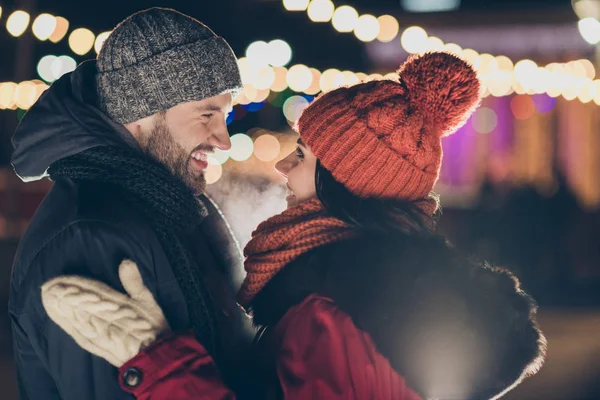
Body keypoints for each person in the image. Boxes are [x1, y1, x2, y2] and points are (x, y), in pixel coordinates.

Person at [41, 52, 546, 399]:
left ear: (346, 179)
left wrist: (162, 363)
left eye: (302, 155)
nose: (283, 167)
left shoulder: (336, 311)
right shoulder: (389, 290)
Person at [9, 7, 254, 400]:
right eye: (207, 114)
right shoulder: (92, 234)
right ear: (140, 111)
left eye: (224, 116)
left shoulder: (167, 203)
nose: (223, 140)